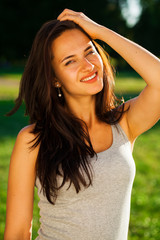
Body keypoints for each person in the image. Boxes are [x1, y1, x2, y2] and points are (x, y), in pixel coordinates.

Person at [4, 8, 160, 240]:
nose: (88, 65)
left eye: (90, 51)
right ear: (55, 79)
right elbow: (17, 233)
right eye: (70, 61)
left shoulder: (124, 123)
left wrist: (100, 32)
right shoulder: (33, 140)